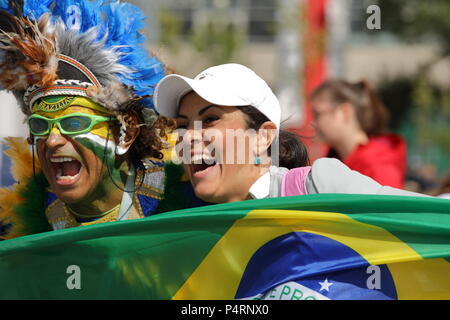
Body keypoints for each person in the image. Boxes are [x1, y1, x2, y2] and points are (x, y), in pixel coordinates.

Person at [0, 0, 179, 239]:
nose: (52, 141)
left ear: (129, 131)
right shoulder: (15, 227)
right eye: (41, 125)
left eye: (74, 123)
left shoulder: (190, 202)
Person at [154, 64, 424, 205]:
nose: (189, 137)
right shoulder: (185, 222)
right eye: (183, 125)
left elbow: (427, 221)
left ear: (262, 137)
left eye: (210, 119)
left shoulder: (318, 186)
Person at [309, 80, 406, 189]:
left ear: (344, 112)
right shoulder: (334, 162)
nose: (312, 123)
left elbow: (390, 205)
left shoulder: (378, 167)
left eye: (317, 114)